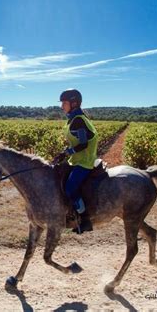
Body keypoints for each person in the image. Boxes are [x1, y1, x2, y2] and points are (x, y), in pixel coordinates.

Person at [52, 88, 98, 234]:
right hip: (76, 159)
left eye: (64, 103)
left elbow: (83, 144)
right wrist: (64, 153)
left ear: (74, 103)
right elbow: (76, 141)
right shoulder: (74, 119)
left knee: (70, 188)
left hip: (84, 161)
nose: (61, 106)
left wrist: (67, 152)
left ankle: (85, 220)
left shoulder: (78, 120)